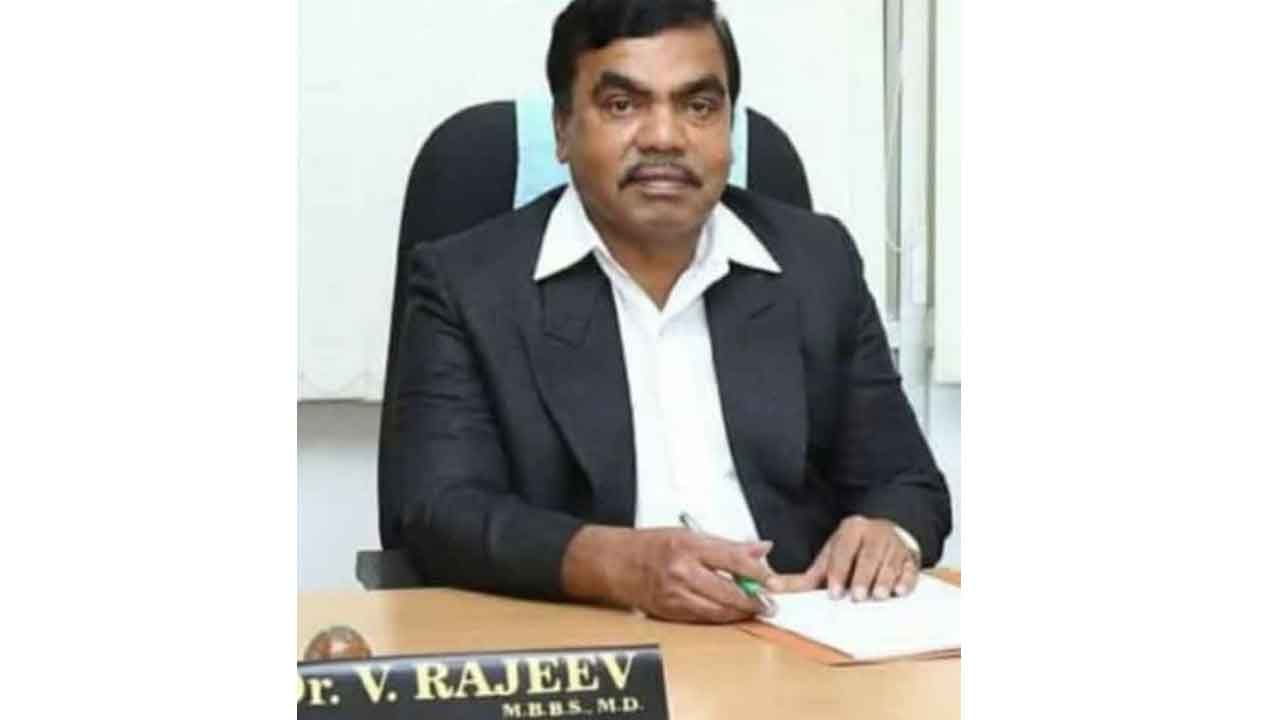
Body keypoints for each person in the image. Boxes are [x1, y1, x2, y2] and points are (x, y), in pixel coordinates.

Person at [387, 0, 951, 624]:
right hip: (595, 645)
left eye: (699, 106)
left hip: (795, 638)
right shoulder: (466, 284)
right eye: (622, 105)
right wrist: (620, 567)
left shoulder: (816, 263)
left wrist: (889, 533)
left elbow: (907, 482)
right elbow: (439, 509)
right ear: (563, 129)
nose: (665, 137)